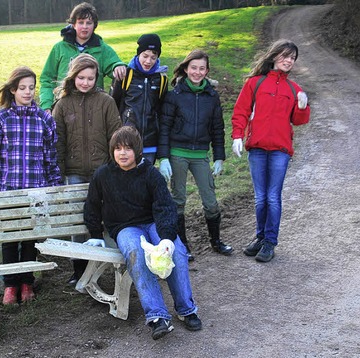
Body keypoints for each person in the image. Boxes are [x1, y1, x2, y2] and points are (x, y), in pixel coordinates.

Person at [84, 126, 202, 340]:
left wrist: (166, 237)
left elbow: (165, 207)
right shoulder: (103, 175)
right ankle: (157, 316)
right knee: (136, 254)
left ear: (137, 151)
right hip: (124, 227)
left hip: (153, 223)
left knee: (176, 252)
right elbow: (92, 206)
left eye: (128, 148)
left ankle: (186, 309)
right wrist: (95, 234)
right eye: (118, 148)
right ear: (112, 151)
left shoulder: (150, 173)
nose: (122, 153)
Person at [0, 66, 62, 305]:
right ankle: (10, 285)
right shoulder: (0, 119)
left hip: (35, 190)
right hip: (8, 191)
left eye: (31, 88)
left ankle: (27, 282)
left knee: (29, 239)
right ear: (13, 89)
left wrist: (52, 187)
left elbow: (50, 157)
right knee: (9, 239)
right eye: (22, 88)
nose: (28, 92)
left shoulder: (44, 119)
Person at [231, 39, 311, 262]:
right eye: (285, 56)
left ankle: (269, 242)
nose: (289, 61)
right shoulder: (255, 83)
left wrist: (303, 107)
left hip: (280, 150)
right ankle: (260, 238)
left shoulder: (294, 89)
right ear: (275, 56)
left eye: (292, 58)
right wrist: (237, 135)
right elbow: (241, 111)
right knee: (260, 198)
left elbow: (298, 120)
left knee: (273, 197)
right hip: (256, 148)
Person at [52, 53, 122, 284]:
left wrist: (115, 168)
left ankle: (110, 266)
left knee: (105, 217)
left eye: (90, 78)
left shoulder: (106, 102)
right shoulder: (62, 105)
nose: (85, 82)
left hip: (102, 170)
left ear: (96, 78)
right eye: (81, 77)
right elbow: (58, 141)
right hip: (73, 172)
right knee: (78, 221)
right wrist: (59, 171)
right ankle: (79, 269)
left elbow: (116, 135)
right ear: (73, 77)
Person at [157, 49, 233, 260]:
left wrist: (219, 157)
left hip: (200, 154)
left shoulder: (212, 96)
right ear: (185, 68)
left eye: (202, 69)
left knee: (210, 200)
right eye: (193, 68)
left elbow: (218, 128)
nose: (197, 72)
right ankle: (183, 245)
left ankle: (216, 241)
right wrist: (163, 157)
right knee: (178, 199)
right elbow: (164, 128)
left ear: (207, 71)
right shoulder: (174, 95)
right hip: (177, 153)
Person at [39, 1, 126, 112]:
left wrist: (118, 66)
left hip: (94, 109)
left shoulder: (102, 49)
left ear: (94, 25)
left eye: (89, 23)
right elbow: (47, 79)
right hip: (64, 107)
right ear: (73, 24)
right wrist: (46, 105)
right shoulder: (59, 48)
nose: (85, 27)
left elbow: (115, 64)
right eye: (81, 22)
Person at [110, 33, 168, 165]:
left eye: (153, 57)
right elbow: (113, 105)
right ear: (138, 54)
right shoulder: (126, 75)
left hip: (150, 143)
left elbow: (161, 110)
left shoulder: (161, 79)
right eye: (145, 56)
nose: (148, 61)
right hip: (127, 142)